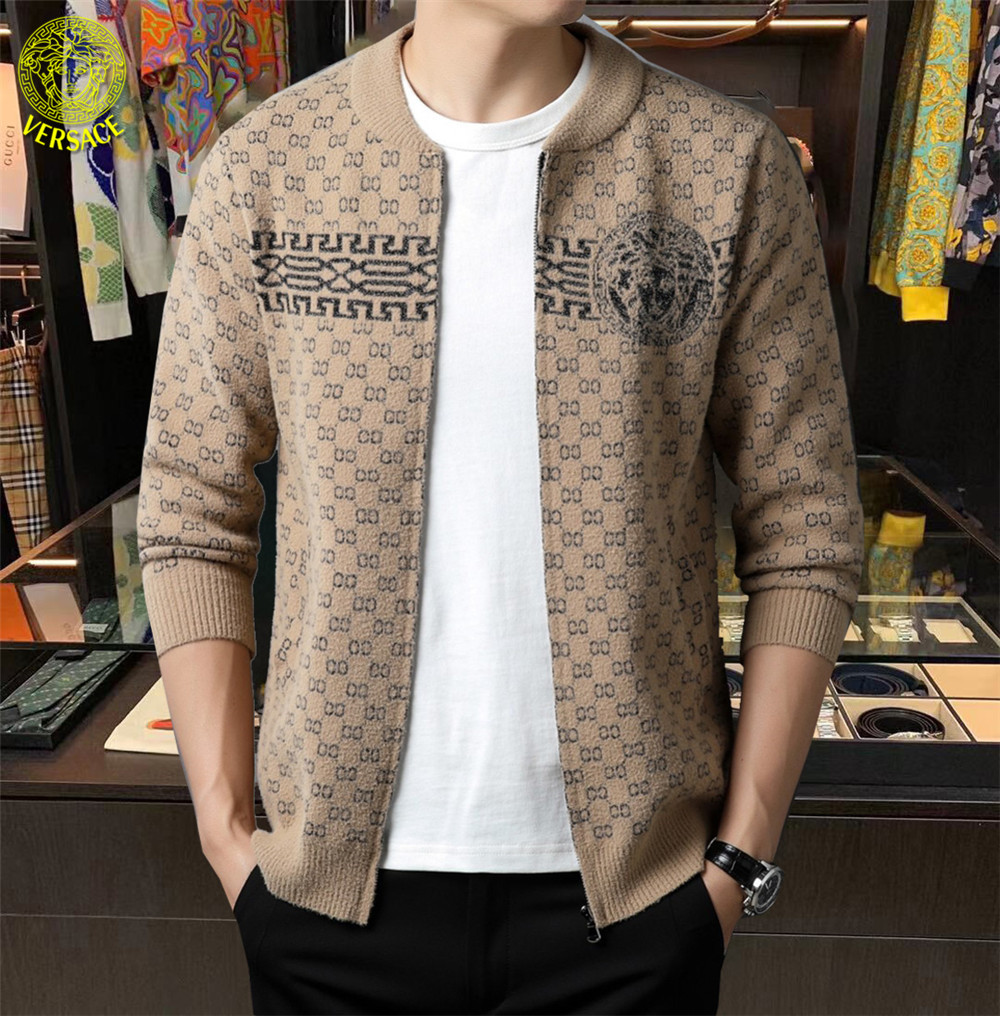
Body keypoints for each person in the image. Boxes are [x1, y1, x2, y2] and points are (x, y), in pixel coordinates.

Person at [136, 2, 865, 1014]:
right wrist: (226, 835)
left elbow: (806, 522)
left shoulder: (725, 167)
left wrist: (737, 859)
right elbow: (191, 505)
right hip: (326, 906)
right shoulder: (269, 167)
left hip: (639, 907)